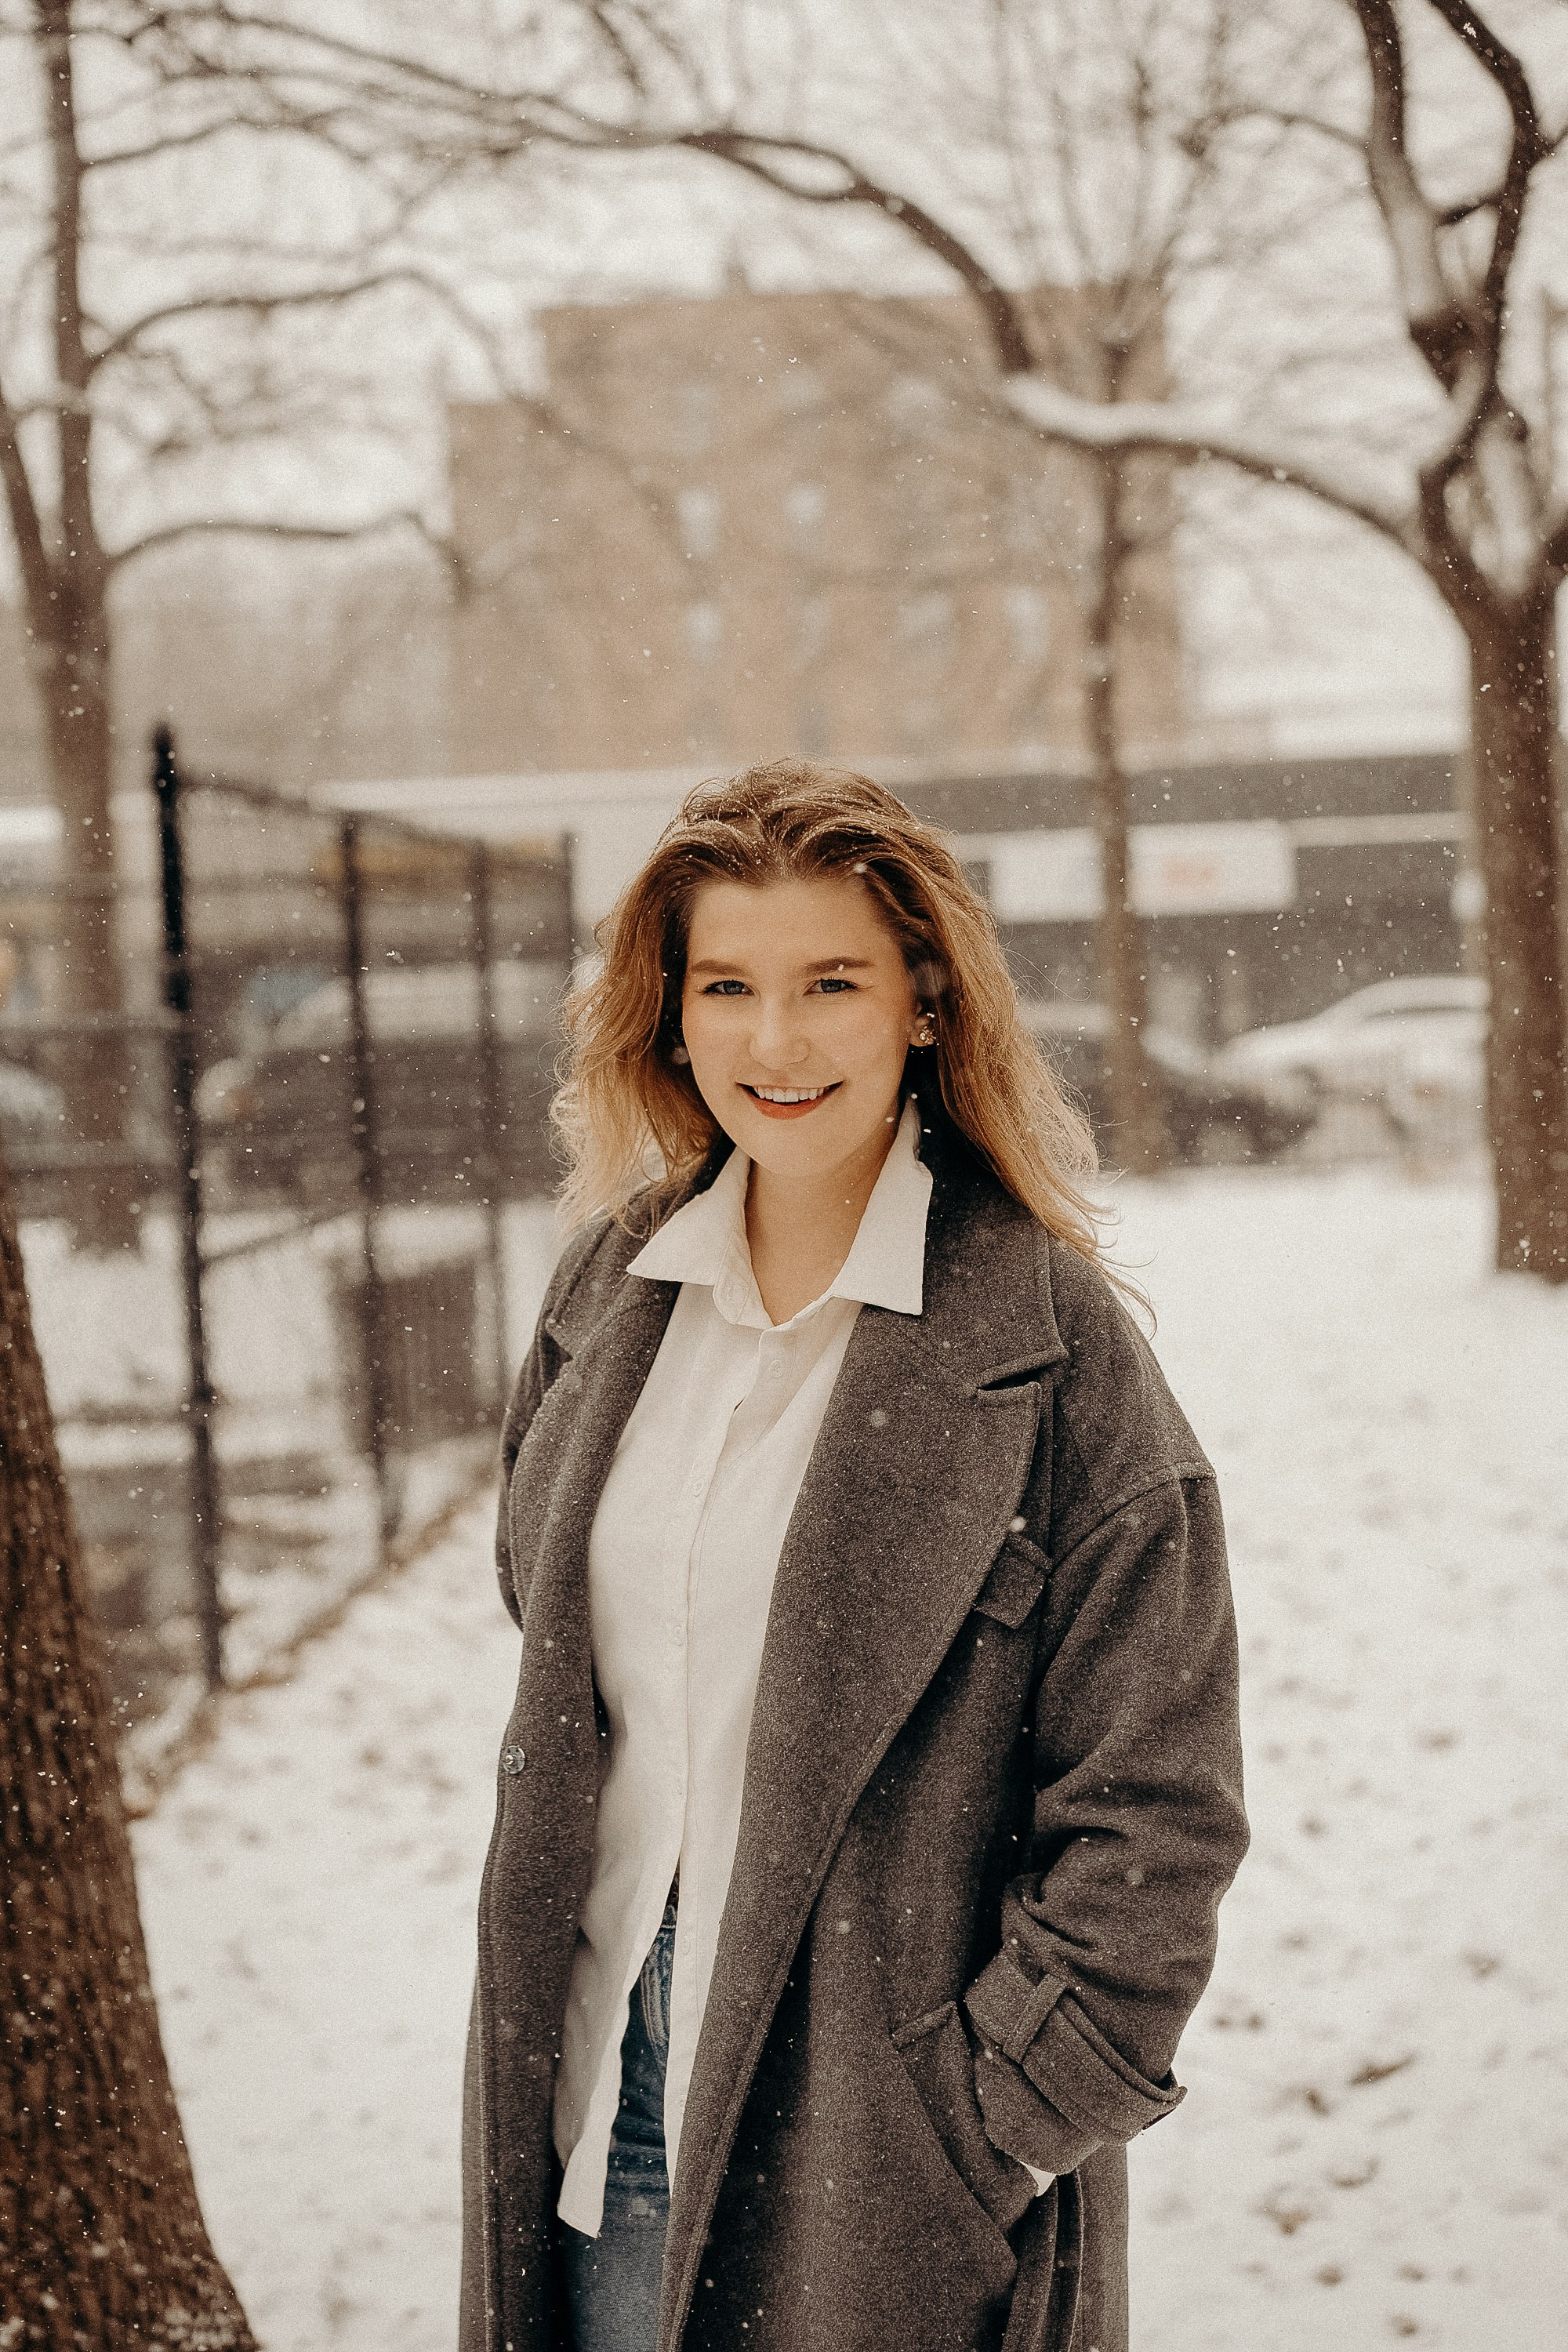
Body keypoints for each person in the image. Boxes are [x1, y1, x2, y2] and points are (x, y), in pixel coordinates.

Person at [461, 761, 1247, 2352]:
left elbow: (1153, 1811)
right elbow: (557, 1641)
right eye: (727, 985)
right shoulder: (603, 1301)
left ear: (924, 1005)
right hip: (588, 2099)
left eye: (832, 982)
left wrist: (994, 2124)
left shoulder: (1055, 1350)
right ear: (668, 1017)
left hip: (881, 2156)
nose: (776, 1039)